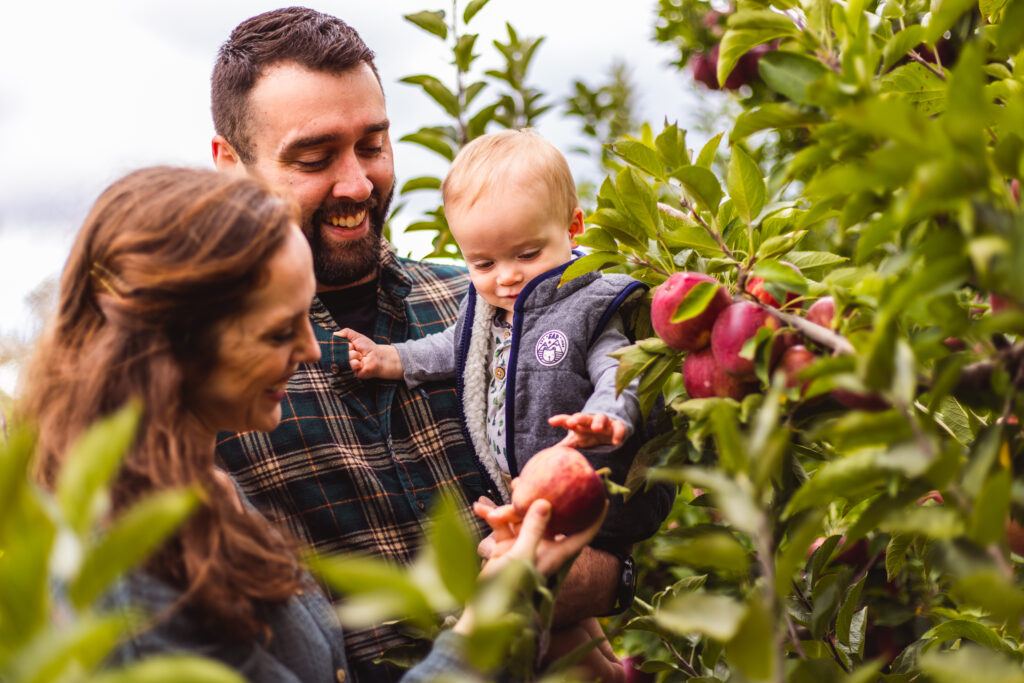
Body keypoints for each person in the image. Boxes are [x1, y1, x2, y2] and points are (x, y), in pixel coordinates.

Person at [208, 9, 672, 681]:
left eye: (372, 145)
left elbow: (627, 507)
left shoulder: (489, 304)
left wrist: (592, 575)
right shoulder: (207, 375)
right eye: (314, 158)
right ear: (231, 165)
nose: (357, 184)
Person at [22, 166, 606, 683]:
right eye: (278, 332)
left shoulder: (196, 487)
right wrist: (487, 624)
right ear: (171, 346)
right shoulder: (128, 584)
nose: (309, 349)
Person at [340, 129, 658, 680]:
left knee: (519, 586)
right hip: (530, 493)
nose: (506, 277)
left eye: (527, 254)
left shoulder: (588, 302)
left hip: (591, 487)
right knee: (561, 630)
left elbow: (621, 368)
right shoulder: (483, 307)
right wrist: (388, 359)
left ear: (573, 227)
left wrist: (609, 414)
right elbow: (447, 350)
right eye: (482, 263)